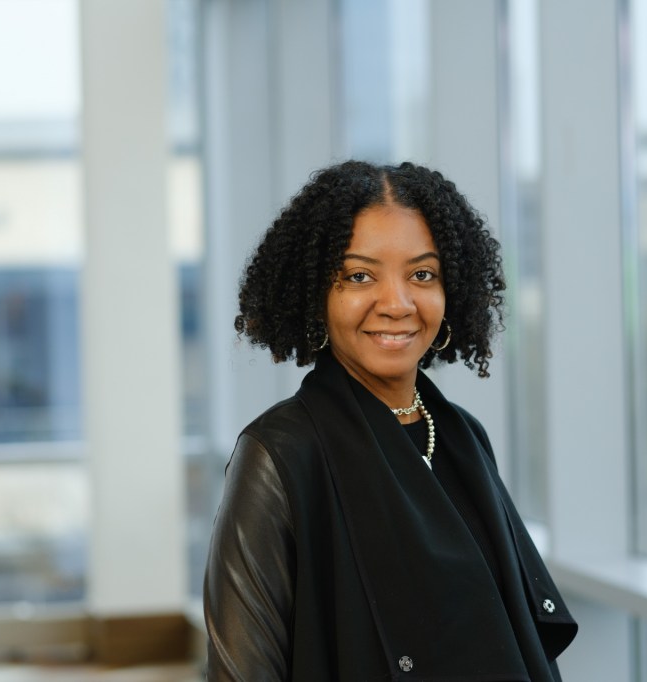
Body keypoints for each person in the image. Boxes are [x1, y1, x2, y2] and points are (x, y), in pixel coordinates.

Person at [204, 160, 577, 681]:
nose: (397, 304)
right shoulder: (278, 454)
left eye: (422, 275)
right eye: (360, 276)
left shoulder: (463, 436)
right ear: (317, 295)